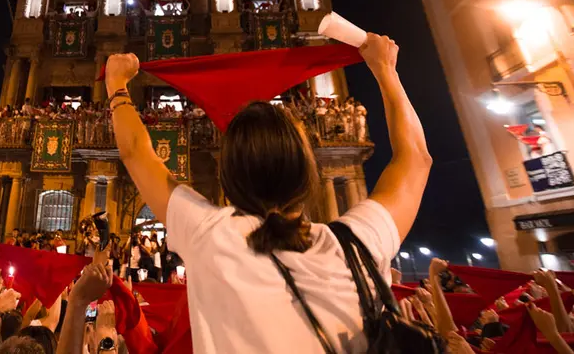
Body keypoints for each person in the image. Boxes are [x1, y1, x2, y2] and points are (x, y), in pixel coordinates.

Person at [102, 33, 434, 353]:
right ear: (307, 172)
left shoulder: (210, 234)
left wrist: (117, 84)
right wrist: (385, 69)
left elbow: (134, 150)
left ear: (227, 179)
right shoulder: (358, 244)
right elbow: (416, 158)